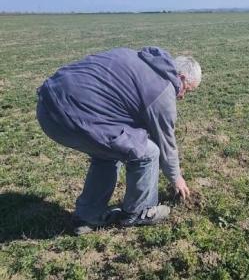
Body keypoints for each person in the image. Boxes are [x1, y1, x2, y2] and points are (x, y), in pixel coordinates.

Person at [36, 46, 201, 235]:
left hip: (47, 107)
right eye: (187, 91)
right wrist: (176, 178)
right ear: (181, 78)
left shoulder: (140, 59)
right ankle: (140, 212)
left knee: (108, 151)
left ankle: (87, 216)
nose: (182, 97)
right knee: (148, 152)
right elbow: (166, 143)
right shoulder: (162, 91)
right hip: (70, 118)